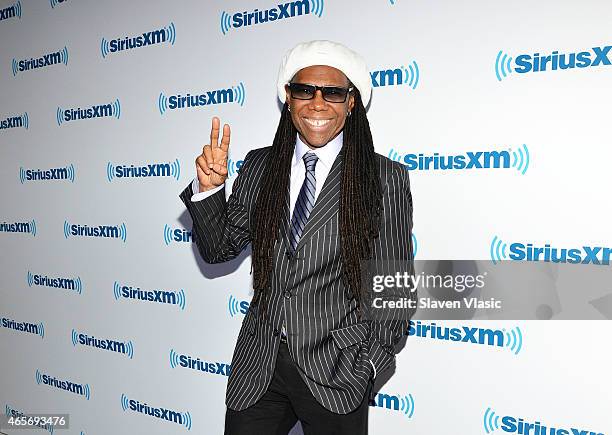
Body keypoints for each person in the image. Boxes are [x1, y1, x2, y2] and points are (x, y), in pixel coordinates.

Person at [179, 40, 415, 435]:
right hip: (259, 366)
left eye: (334, 92)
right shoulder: (259, 166)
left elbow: (393, 289)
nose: (318, 103)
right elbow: (219, 249)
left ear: (351, 102)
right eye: (305, 90)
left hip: (338, 371)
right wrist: (209, 191)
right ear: (288, 98)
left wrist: (369, 366)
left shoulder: (383, 178)